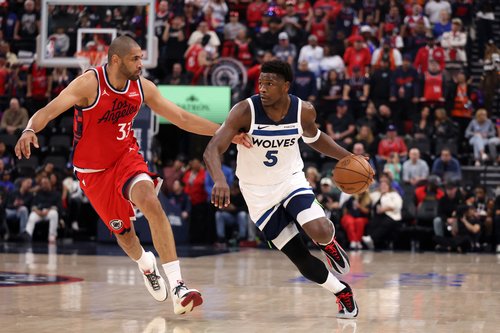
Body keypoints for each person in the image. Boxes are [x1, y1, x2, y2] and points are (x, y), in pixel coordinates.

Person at [14, 36, 250, 315]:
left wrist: (226, 133)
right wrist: (29, 129)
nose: (141, 64)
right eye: (135, 59)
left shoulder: (143, 87)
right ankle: (145, 264)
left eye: (141, 57)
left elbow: (182, 118)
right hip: (93, 172)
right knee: (125, 236)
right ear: (115, 60)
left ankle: (178, 286)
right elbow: (49, 110)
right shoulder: (90, 84)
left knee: (151, 202)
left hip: (127, 158)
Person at [203, 60, 375, 318]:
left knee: (320, 229)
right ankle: (342, 292)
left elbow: (315, 138)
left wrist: (349, 157)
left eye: (270, 83)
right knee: (300, 258)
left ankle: (328, 244)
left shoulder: (303, 110)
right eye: (261, 82)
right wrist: (219, 179)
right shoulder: (244, 111)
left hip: (290, 181)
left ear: (286, 86)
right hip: (257, 194)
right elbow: (212, 149)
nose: (262, 88)